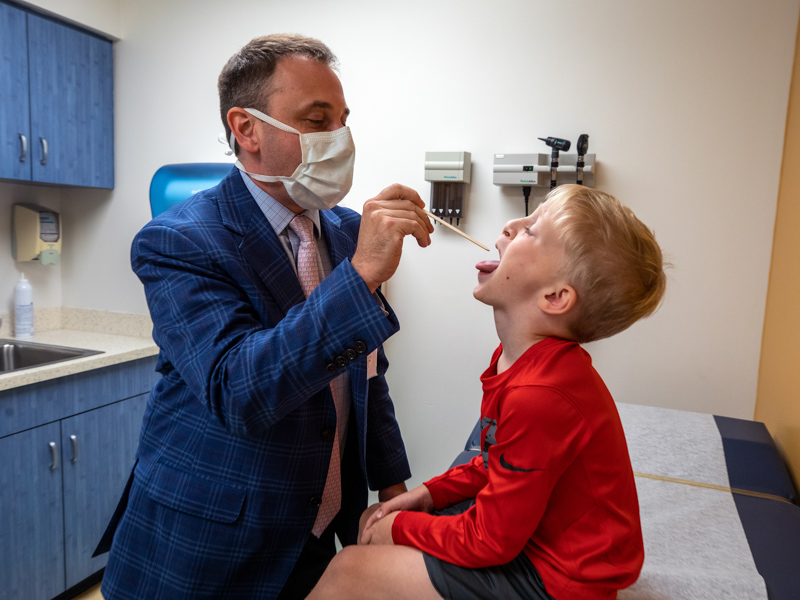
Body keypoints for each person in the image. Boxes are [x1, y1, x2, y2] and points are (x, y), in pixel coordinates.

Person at [98, 34, 434, 600]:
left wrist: (391, 488)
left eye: (343, 120)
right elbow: (239, 391)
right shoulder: (177, 241)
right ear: (247, 128)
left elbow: (368, 378)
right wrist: (362, 276)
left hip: (316, 530)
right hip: (209, 542)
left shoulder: (349, 232)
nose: (339, 138)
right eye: (316, 118)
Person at [308, 184, 667, 600]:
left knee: (349, 568)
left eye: (531, 230)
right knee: (373, 525)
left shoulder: (542, 395)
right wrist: (428, 493)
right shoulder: (515, 361)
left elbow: (490, 540)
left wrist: (401, 525)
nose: (511, 225)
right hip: (534, 543)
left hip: (563, 580)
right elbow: (497, 462)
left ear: (555, 297)